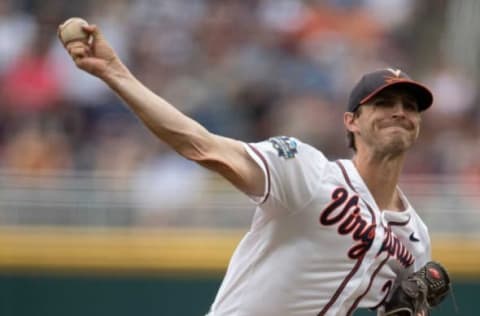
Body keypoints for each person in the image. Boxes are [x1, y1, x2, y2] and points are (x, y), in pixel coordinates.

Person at [62, 23, 434, 316]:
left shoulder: (415, 240)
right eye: (384, 103)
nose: (400, 111)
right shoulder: (307, 172)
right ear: (351, 121)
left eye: (410, 105)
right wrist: (115, 73)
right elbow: (200, 144)